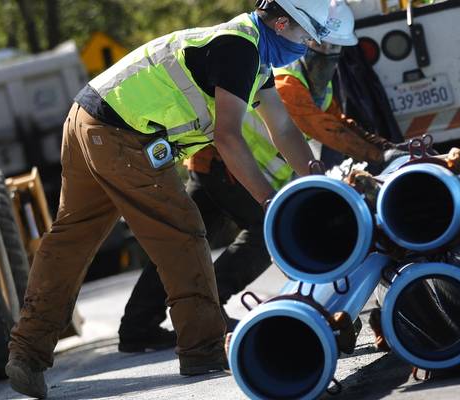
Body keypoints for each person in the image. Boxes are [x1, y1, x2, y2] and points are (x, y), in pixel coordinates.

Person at [4, 1, 330, 398]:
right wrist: (268, 201)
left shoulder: (251, 54)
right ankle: (204, 348)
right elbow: (227, 137)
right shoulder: (239, 48)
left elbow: (282, 128)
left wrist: (318, 182)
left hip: (87, 117)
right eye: (304, 36)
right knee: (182, 232)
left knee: (71, 240)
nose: (305, 46)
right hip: (120, 132)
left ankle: (26, 353)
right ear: (280, 24)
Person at [116, 0, 396, 353]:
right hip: (224, 163)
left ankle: (139, 324)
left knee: (185, 240)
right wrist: (375, 157)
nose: (327, 56)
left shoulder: (311, 82)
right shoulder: (283, 76)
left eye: (334, 51)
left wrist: (365, 155)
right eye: (323, 47)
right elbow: (318, 128)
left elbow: (331, 125)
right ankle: (207, 310)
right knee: (266, 233)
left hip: (224, 163)